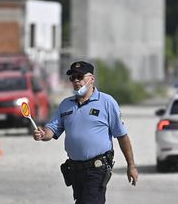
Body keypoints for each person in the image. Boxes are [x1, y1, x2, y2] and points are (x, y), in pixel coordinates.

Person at [33, 61, 139, 203]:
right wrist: (42, 134)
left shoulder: (107, 102)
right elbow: (51, 130)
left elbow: (122, 136)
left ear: (92, 79)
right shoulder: (66, 104)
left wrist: (131, 165)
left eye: (80, 76)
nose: (76, 81)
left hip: (97, 169)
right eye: (72, 78)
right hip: (75, 170)